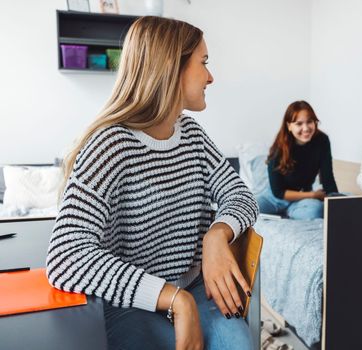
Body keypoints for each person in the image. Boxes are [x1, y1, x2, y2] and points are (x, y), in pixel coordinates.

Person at [46, 16, 258, 350]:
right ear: (171, 69)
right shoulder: (109, 146)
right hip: (134, 302)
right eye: (203, 63)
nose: (211, 76)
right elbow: (66, 256)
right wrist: (175, 300)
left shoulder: (193, 136)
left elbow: (240, 194)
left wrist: (217, 236)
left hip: (195, 288)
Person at [256, 100, 338, 219]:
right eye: (299, 124)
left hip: (303, 198)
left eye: (309, 122)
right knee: (249, 208)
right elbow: (278, 192)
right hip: (275, 198)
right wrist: (313, 195)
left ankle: (291, 212)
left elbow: (328, 179)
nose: (305, 128)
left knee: (318, 211)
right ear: (289, 126)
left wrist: (336, 200)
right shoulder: (278, 148)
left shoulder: (322, 141)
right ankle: (289, 211)